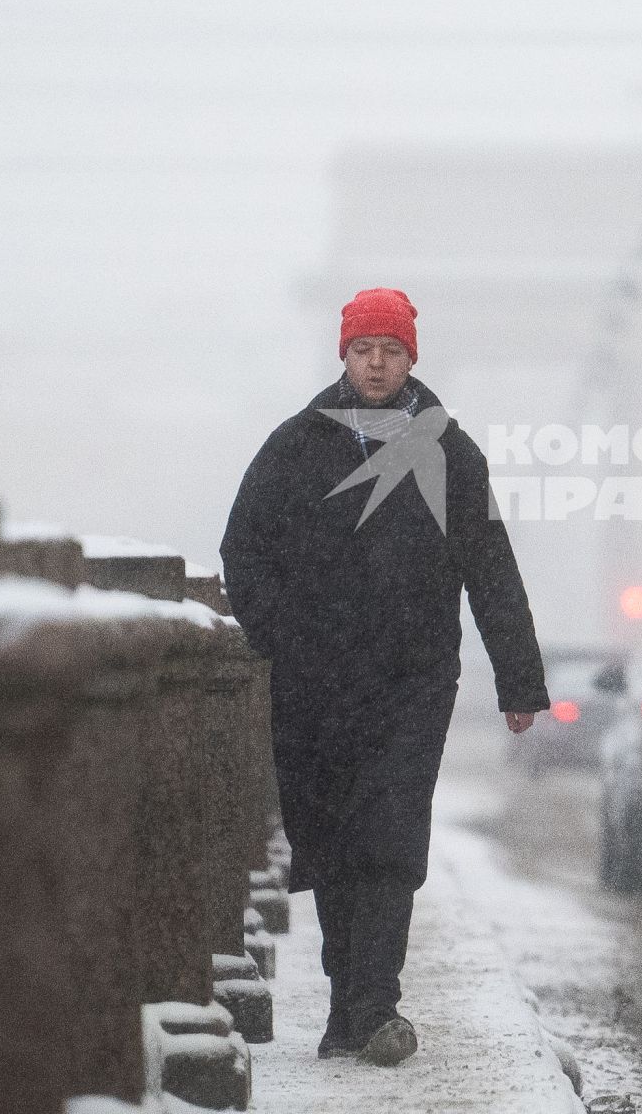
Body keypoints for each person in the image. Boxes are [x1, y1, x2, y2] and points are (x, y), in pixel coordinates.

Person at [219, 286, 548, 1065]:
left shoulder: (449, 453)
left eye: (391, 351)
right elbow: (244, 551)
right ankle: (350, 1005)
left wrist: (520, 683)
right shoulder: (294, 446)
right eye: (364, 349)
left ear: (410, 360)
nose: (377, 363)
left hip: (412, 682)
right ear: (345, 355)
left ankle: (375, 1006)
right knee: (332, 839)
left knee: (390, 835)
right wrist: (282, 638)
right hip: (316, 685)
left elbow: (491, 567)